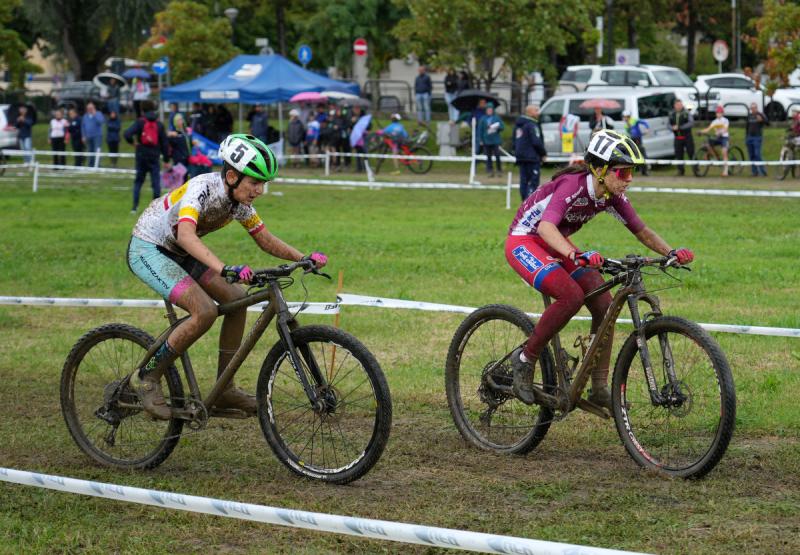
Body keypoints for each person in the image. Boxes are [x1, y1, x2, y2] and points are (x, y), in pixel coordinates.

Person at [126, 134, 329, 420]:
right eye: (255, 183)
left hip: (181, 251)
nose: (259, 190)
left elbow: (265, 238)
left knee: (237, 299)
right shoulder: (201, 189)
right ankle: (146, 377)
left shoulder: (239, 203)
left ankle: (224, 390)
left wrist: (302, 257)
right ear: (232, 176)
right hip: (150, 248)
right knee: (204, 312)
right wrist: (224, 268)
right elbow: (185, 235)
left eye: (263, 184)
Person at [505, 129, 694, 410]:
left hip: (557, 242)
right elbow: (545, 227)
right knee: (570, 296)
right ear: (600, 170)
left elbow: (642, 231)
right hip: (525, 240)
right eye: (623, 172)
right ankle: (524, 359)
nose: (628, 180)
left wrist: (670, 252)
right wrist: (574, 253)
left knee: (605, 304)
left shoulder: (610, 195)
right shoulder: (573, 186)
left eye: (631, 173)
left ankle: (598, 386)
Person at [124, 101, 170, 213]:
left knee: (138, 181)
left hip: (141, 154)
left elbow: (127, 134)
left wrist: (133, 143)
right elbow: (164, 143)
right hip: (154, 155)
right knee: (156, 182)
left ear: (143, 110)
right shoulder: (159, 124)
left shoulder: (140, 122)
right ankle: (157, 209)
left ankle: (134, 208)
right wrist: (166, 159)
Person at [514, 104, 547, 199]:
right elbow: (536, 141)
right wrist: (543, 153)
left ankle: (524, 201)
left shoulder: (518, 125)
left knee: (523, 181)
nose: (538, 112)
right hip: (532, 157)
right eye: (536, 110)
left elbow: (514, 140)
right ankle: (529, 202)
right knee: (533, 181)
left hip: (521, 157)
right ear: (529, 112)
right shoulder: (532, 125)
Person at [700, 106, 730, 177]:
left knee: (724, 152)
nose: (718, 114)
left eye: (720, 113)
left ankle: (726, 171)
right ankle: (715, 157)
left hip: (724, 137)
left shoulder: (725, 120)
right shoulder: (714, 122)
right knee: (708, 143)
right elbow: (708, 129)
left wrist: (721, 132)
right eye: (717, 113)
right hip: (718, 137)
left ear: (722, 113)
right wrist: (701, 131)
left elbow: (726, 129)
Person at [668, 99, 694, 176]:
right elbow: (668, 124)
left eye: (680, 105)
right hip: (677, 138)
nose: (679, 106)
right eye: (677, 105)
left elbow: (691, 123)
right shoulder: (672, 114)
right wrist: (672, 128)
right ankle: (680, 170)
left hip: (687, 137)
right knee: (678, 155)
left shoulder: (686, 113)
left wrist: (680, 127)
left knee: (691, 153)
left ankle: (696, 169)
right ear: (674, 106)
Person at [478, 103, 504, 177]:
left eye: (491, 109)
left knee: (497, 155)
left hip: (495, 140)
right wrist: (480, 139)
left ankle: (499, 170)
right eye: (488, 109)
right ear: (486, 110)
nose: (489, 111)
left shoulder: (497, 118)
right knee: (488, 156)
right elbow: (480, 130)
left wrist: (496, 127)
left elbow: (502, 127)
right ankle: (490, 170)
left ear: (493, 110)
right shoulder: (483, 119)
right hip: (486, 140)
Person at [621, 110, 650, 176]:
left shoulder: (634, 120)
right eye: (624, 117)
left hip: (638, 139)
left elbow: (644, 122)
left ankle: (645, 169)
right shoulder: (626, 124)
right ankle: (639, 170)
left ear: (628, 117)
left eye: (625, 117)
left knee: (641, 153)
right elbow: (629, 132)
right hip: (632, 140)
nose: (624, 118)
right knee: (634, 155)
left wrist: (647, 129)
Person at [744, 102, 769, 177]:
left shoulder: (760, 115)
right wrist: (746, 137)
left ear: (756, 108)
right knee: (751, 155)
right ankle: (754, 172)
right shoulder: (749, 116)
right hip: (749, 137)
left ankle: (763, 171)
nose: (753, 109)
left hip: (757, 137)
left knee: (757, 154)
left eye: (754, 108)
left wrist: (762, 120)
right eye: (751, 108)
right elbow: (747, 127)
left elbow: (768, 123)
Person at [81, 102, 105, 168]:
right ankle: (90, 165)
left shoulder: (98, 114)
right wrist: (83, 135)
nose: (89, 109)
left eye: (91, 108)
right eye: (88, 108)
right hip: (88, 136)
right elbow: (83, 126)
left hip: (97, 136)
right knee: (89, 151)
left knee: (97, 150)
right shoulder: (85, 116)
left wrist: (95, 115)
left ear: (94, 108)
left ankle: (98, 165)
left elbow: (101, 122)